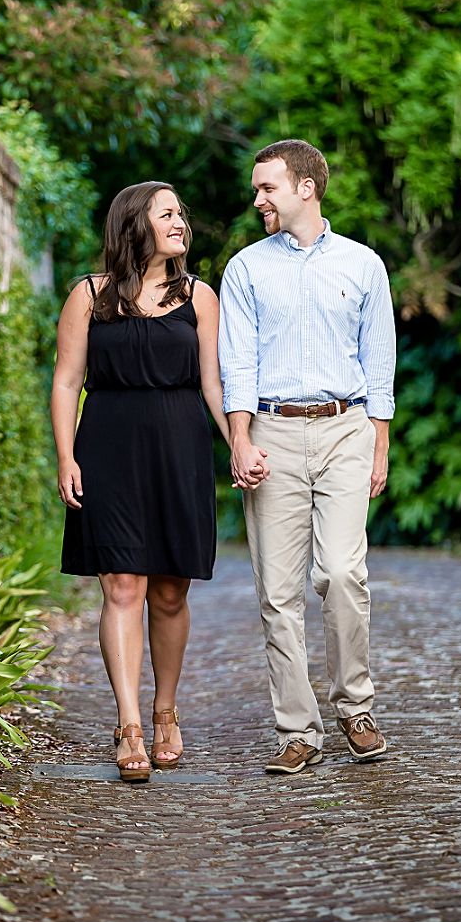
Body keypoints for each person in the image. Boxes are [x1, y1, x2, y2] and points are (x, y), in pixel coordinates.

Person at [51, 181, 244, 783]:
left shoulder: (200, 297)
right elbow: (65, 382)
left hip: (179, 447)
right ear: (135, 222)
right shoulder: (89, 295)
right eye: (168, 214)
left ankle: (166, 710)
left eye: (181, 213)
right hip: (107, 446)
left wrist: (238, 441)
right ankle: (129, 722)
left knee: (169, 591)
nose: (180, 222)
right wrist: (65, 457)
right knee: (122, 586)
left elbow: (214, 383)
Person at [218, 139, 396, 775]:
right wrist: (241, 441)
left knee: (344, 573)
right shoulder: (244, 269)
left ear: (305, 189)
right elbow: (236, 363)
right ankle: (298, 729)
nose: (258, 198)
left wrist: (379, 446)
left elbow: (379, 363)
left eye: (267, 188)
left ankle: (355, 708)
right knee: (278, 590)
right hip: (272, 431)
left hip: (346, 427)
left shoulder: (363, 265)